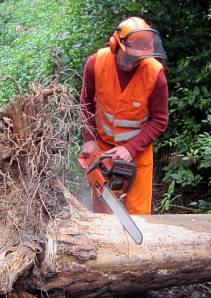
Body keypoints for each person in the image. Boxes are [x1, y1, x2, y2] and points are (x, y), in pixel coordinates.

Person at [80, 17, 169, 215]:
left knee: (139, 215)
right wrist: (89, 139)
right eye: (129, 57)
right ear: (115, 46)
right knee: (102, 213)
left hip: (138, 151)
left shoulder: (155, 74)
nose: (133, 63)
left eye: (139, 59)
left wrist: (131, 149)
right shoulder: (96, 63)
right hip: (103, 147)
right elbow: (86, 102)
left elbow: (160, 120)